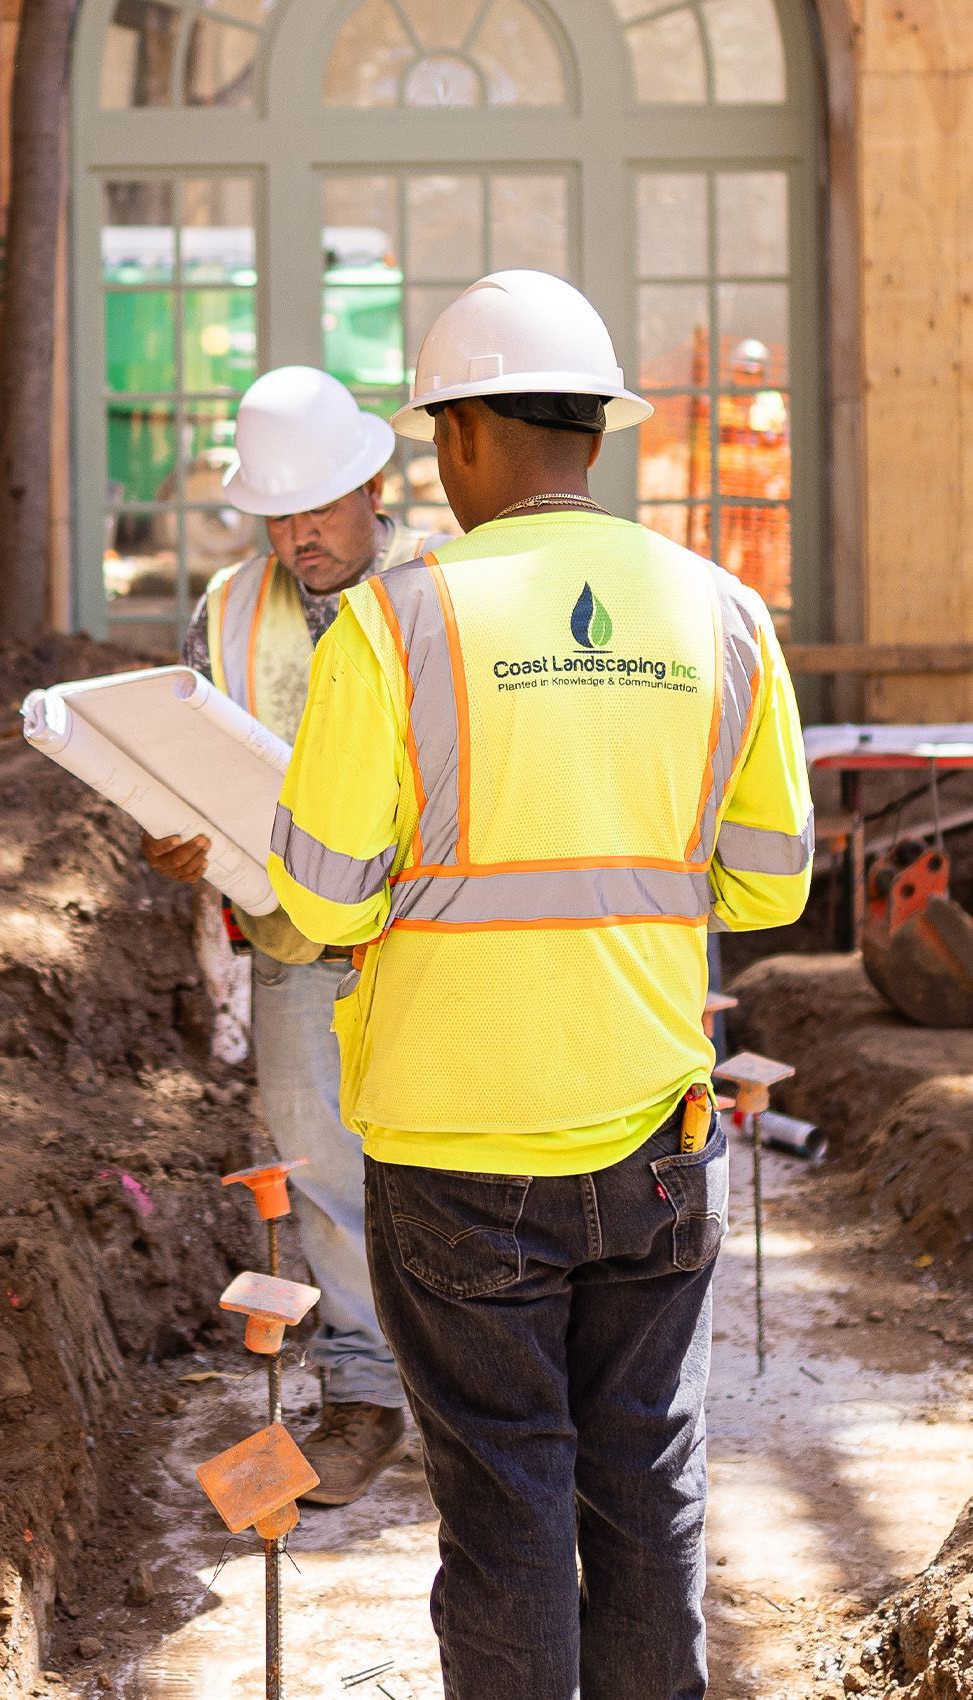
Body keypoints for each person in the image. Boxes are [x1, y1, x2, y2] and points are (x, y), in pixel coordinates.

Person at [267, 272, 813, 1697]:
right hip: (654, 1139)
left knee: (507, 1513)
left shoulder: (394, 627)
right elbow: (769, 883)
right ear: (598, 431)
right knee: (648, 1491)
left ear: (455, 441)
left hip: (456, 1155)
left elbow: (320, 892)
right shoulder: (722, 612)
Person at [143, 364, 446, 1504]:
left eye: (317, 508)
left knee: (456, 1170)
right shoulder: (227, 608)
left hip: (431, 942)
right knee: (325, 1177)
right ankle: (367, 1393)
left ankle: (480, 1397)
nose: (298, 535)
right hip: (291, 944)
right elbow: (188, 759)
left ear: (376, 484)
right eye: (277, 514)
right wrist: (180, 839)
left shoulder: (446, 593)